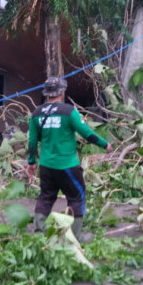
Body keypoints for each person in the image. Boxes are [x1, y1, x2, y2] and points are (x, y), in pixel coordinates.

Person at [26, 77, 111, 243]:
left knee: (45, 196)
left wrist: (31, 162)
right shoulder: (68, 111)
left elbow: (32, 142)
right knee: (77, 196)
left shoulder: (36, 114)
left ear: (46, 93)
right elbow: (87, 133)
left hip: (46, 166)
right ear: (62, 92)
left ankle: (38, 231)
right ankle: (76, 236)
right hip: (67, 166)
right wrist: (105, 144)